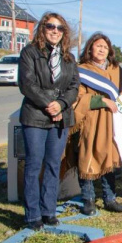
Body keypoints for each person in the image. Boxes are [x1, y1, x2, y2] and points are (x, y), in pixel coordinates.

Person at [18, 12, 79, 230]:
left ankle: (48, 211)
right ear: (42, 29)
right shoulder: (30, 53)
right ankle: (32, 215)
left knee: (54, 165)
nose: (55, 31)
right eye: (50, 26)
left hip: (61, 119)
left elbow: (74, 87)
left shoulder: (69, 59)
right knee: (34, 165)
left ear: (64, 33)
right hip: (36, 116)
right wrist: (49, 104)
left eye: (60, 28)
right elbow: (27, 84)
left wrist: (61, 104)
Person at [64, 33, 122, 216]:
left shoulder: (116, 70)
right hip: (91, 121)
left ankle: (110, 198)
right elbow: (77, 96)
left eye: (105, 47)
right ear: (90, 48)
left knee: (109, 160)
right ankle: (88, 200)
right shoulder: (81, 69)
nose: (101, 49)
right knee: (88, 157)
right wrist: (103, 101)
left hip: (112, 122)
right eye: (98, 46)